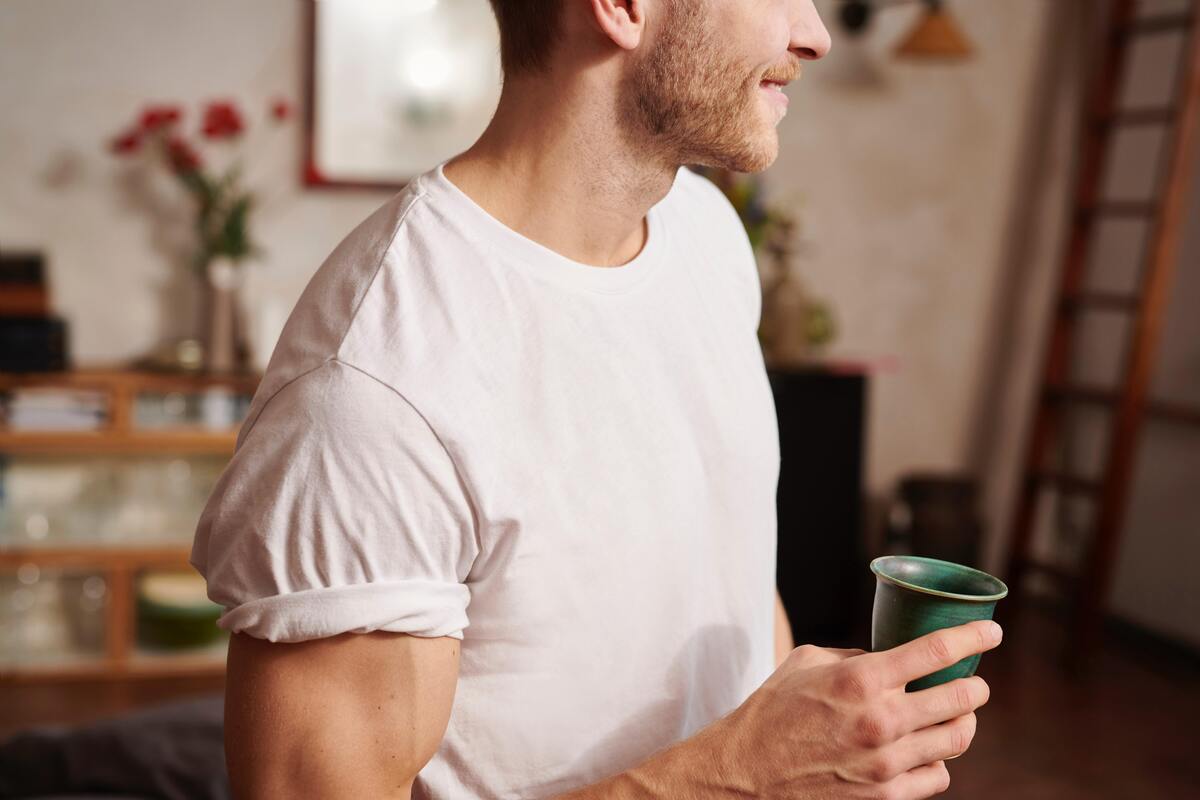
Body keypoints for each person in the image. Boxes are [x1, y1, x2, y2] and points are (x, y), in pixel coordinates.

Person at [190, 1, 1000, 798]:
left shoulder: (704, 233)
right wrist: (743, 774)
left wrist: (809, 745)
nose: (815, 34)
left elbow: (730, 572)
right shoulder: (371, 390)